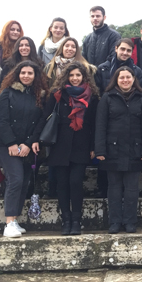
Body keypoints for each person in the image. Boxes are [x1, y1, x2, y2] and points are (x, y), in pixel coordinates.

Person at [43, 63, 98, 235]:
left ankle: (76, 220)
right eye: (72, 75)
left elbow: (95, 124)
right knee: (62, 184)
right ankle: (66, 220)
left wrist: (94, 146)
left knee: (75, 182)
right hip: (60, 144)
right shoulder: (58, 94)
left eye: (78, 75)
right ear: (66, 76)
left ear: (84, 77)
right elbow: (46, 117)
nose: (75, 78)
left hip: (81, 144)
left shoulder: (92, 96)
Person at [95, 65, 142, 233]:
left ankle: (130, 221)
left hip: (135, 150)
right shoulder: (107, 98)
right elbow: (100, 125)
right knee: (113, 188)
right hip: (112, 150)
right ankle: (114, 221)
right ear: (116, 80)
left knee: (132, 189)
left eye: (128, 77)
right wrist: (100, 150)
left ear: (134, 79)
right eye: (122, 77)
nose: (125, 80)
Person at [0, 61, 47, 238]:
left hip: (27, 145)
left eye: (30, 73)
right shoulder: (7, 93)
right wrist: (11, 144)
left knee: (24, 182)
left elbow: (40, 122)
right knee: (15, 179)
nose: (26, 76)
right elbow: (2, 120)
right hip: (7, 145)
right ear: (17, 74)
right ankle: (9, 222)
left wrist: (28, 143)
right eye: (23, 72)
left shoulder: (39, 95)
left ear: (35, 76)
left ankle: (15, 219)